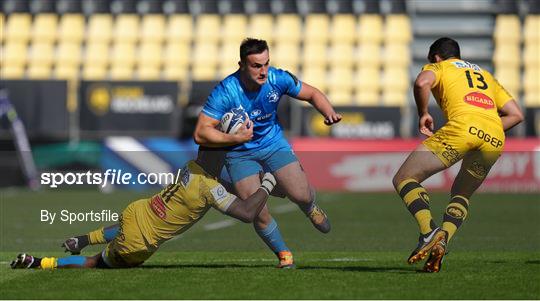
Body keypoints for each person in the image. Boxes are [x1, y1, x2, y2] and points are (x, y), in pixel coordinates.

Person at [193, 38, 342, 268]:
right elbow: (200, 133)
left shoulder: (277, 78)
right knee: (256, 211)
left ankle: (309, 206)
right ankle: (284, 254)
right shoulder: (225, 91)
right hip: (238, 153)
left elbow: (312, 94)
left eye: (266, 64)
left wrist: (328, 111)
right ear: (241, 65)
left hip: (273, 144)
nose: (263, 71)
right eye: (256, 66)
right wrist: (235, 138)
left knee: (301, 194)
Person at [10, 149, 280, 269]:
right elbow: (246, 213)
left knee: (134, 225)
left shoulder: (190, 166)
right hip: (138, 243)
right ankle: (42, 263)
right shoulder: (210, 189)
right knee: (95, 263)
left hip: (135, 212)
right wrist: (267, 184)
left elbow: (223, 183)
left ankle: (82, 239)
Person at [392, 37, 524, 272]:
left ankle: (428, 232)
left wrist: (423, 112)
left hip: (461, 128)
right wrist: (486, 127)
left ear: (436, 57)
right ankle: (443, 238)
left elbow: (422, 83)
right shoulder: (485, 75)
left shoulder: (438, 66)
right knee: (462, 194)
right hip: (494, 137)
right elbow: (516, 115)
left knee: (404, 178)